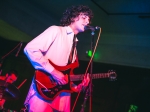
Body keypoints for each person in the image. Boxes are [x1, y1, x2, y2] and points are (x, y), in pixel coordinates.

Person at [24, 5, 93, 112]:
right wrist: (54, 72)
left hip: (61, 98)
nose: (88, 22)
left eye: (89, 19)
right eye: (84, 17)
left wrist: (77, 87)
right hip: (44, 90)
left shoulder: (74, 46)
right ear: (73, 17)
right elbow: (30, 49)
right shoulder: (56, 31)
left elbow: (66, 78)